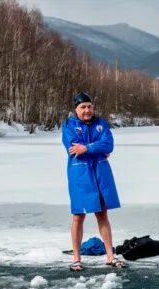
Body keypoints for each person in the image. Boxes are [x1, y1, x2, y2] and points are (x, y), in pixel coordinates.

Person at [62, 92, 126, 271]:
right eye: (83, 107)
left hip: (101, 173)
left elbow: (108, 144)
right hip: (80, 175)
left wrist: (88, 147)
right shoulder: (68, 125)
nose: (87, 110)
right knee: (78, 215)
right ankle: (76, 258)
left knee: (102, 213)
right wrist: (96, 148)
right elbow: (73, 148)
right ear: (76, 109)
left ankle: (110, 256)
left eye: (89, 106)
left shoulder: (101, 124)